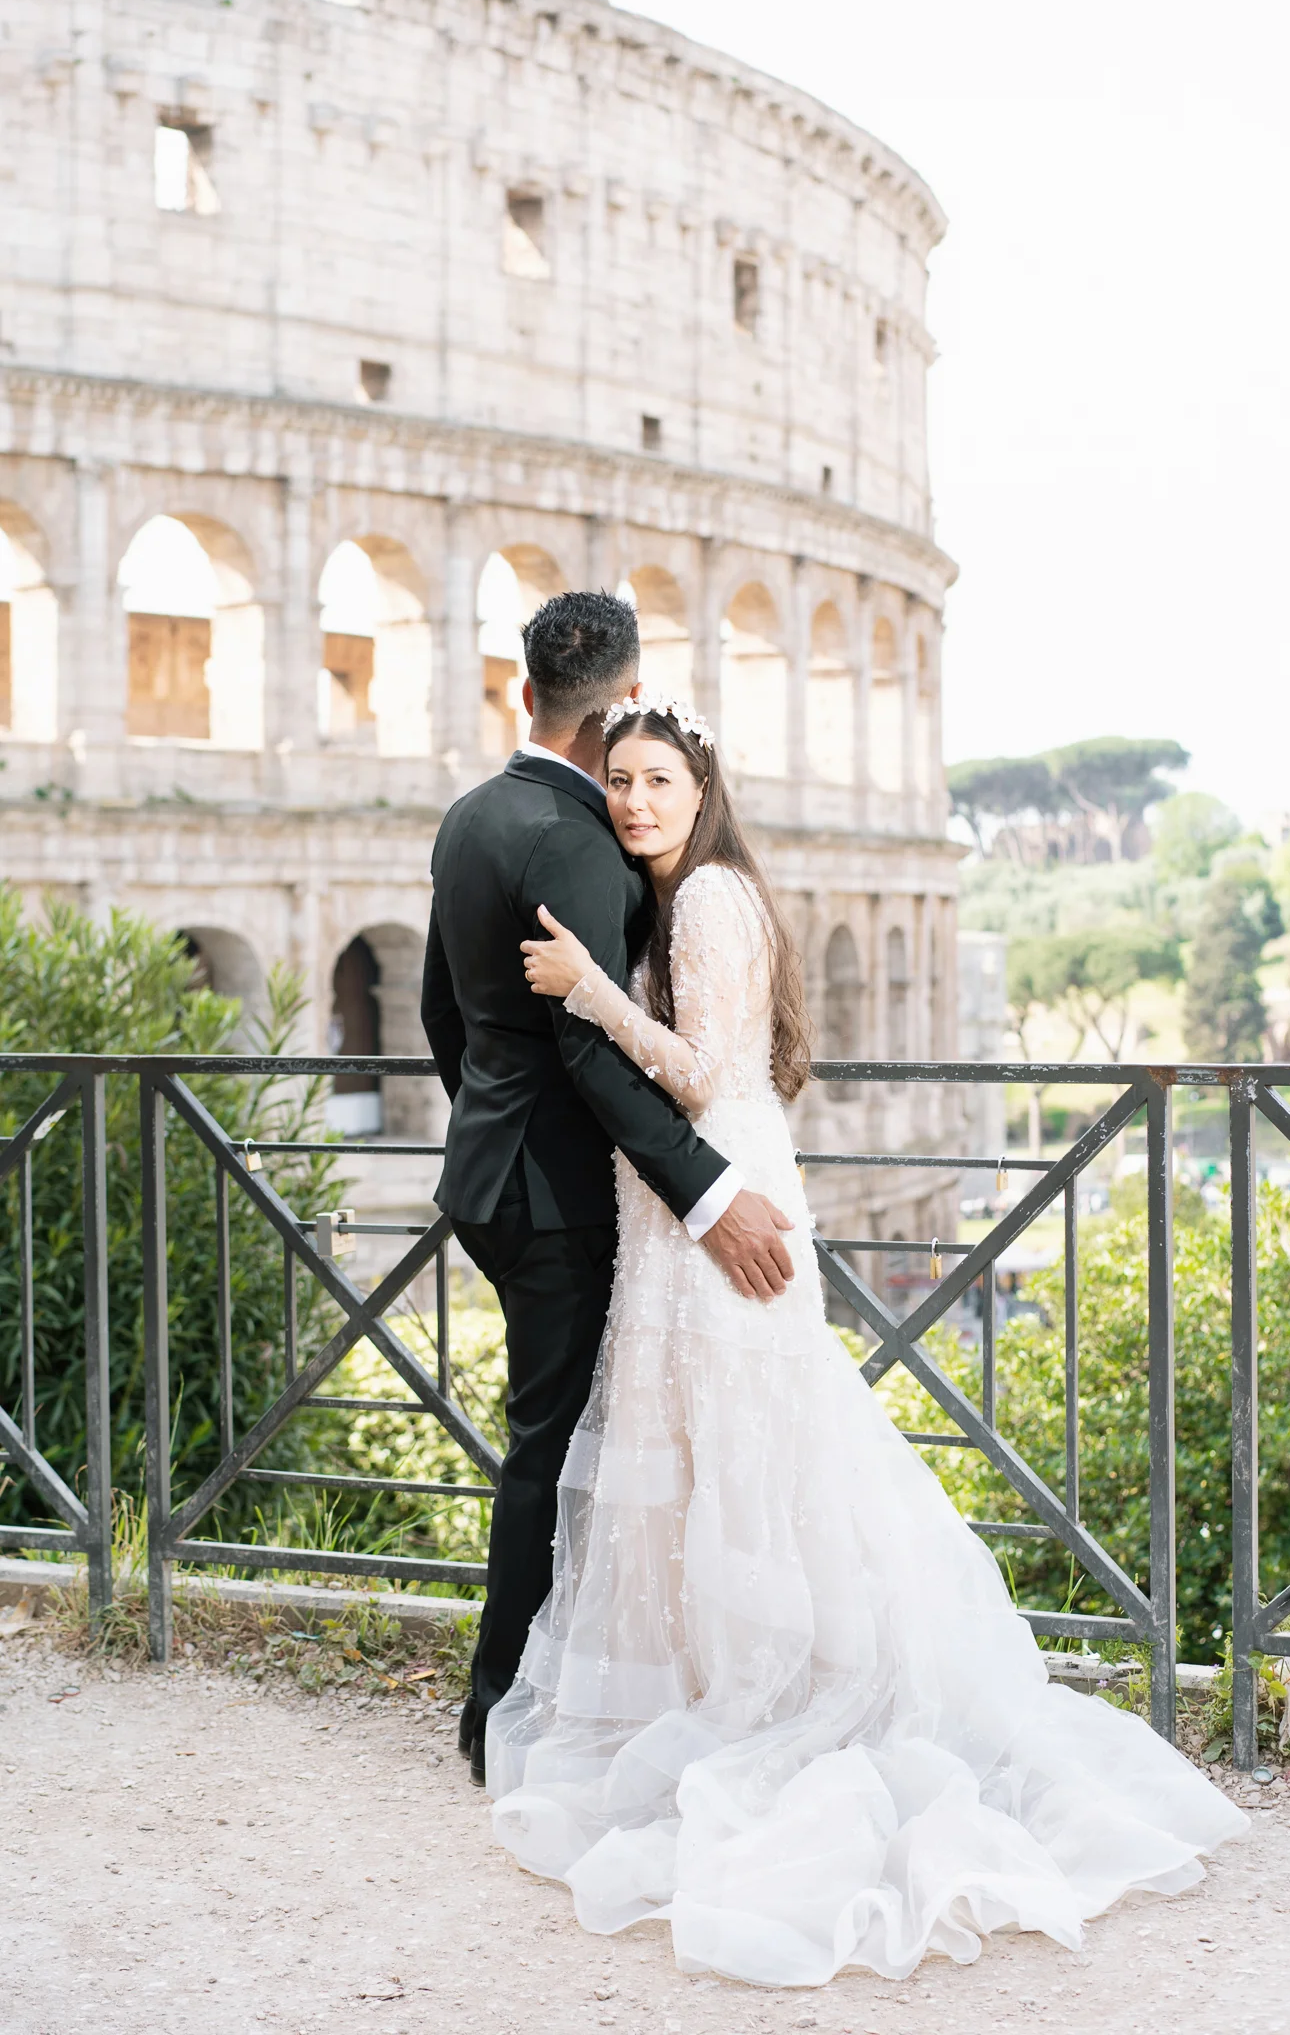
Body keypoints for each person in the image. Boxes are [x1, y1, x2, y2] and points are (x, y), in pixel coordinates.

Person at [485, 693, 1246, 1988]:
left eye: (659, 780)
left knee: (756, 1451)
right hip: (680, 1211)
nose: (634, 802)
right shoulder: (682, 896)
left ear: (701, 788)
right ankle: (721, 1681)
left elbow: (707, 1074)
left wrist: (594, 994)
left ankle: (773, 1688)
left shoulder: (714, 898)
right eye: (618, 780)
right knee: (708, 1451)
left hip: (719, 1191)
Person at [420, 593, 796, 1787]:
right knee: (562, 1445)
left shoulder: (470, 814)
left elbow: (445, 1010)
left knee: (588, 1436)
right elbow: (588, 1047)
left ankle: (587, 1680)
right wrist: (707, 1194)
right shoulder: (577, 838)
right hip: (561, 1192)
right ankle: (507, 1703)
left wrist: (490, 1115)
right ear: (612, 703)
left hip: (490, 1174)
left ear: (528, 689)